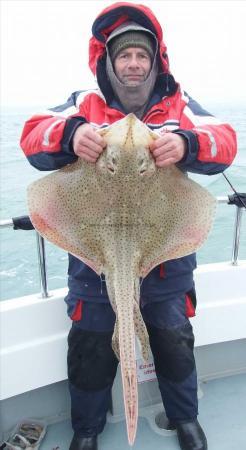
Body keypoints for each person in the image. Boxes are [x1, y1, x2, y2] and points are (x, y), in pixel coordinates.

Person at [20, 2, 237, 450]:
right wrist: (69, 135)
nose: (134, 64)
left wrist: (186, 142)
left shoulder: (179, 103)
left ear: (155, 60)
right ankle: (86, 429)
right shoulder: (86, 103)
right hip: (92, 260)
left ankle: (186, 419)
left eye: (142, 55)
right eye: (125, 55)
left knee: (174, 340)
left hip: (164, 260)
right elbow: (33, 134)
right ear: (110, 61)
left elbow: (225, 141)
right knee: (92, 346)